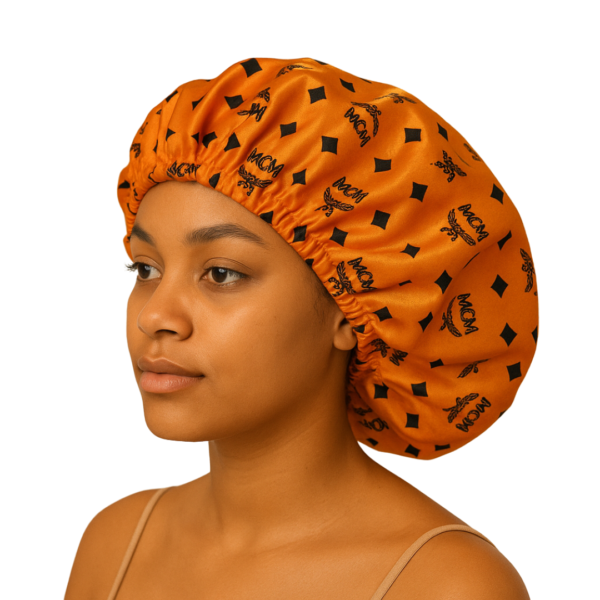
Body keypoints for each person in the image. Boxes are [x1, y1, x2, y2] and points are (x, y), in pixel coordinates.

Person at [65, 57, 538, 599]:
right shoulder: (116, 543)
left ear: (351, 306)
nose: (153, 316)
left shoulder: (448, 585)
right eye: (146, 269)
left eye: (221, 274)